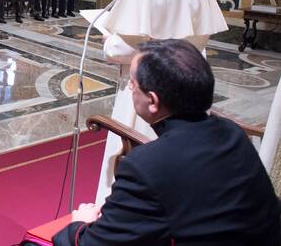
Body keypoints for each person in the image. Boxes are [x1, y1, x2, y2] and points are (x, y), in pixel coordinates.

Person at [53, 40, 280, 246]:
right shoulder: (232, 133)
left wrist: (79, 223)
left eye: (132, 84)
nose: (130, 89)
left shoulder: (145, 166)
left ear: (152, 101)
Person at [92, 0, 228, 203]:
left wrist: (108, 40)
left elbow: (125, 49)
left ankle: (119, 209)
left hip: (150, 89)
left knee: (135, 156)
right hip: (192, 87)